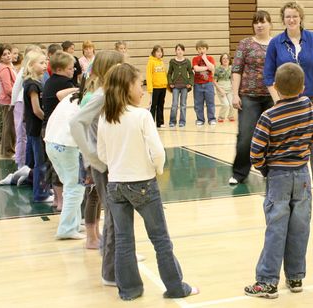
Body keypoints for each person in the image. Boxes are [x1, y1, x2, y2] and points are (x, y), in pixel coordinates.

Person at [97, 63, 198, 301]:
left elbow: (101, 155)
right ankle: (175, 287)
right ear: (126, 87)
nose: (142, 89)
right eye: (139, 84)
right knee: (160, 239)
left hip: (116, 185)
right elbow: (158, 152)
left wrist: (118, 163)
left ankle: (129, 291)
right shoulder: (141, 115)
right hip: (142, 182)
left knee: (123, 241)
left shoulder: (105, 117)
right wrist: (157, 169)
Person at [244, 63, 313, 299]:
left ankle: (267, 282)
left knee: (276, 229)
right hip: (303, 175)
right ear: (303, 86)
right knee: (300, 227)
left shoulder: (269, 116)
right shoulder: (307, 106)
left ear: (274, 87)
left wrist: (266, 169)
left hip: (278, 176)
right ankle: (295, 277)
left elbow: (255, 152)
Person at [263, 1, 313, 197]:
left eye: (295, 16)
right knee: (284, 144)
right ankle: (282, 186)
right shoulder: (275, 43)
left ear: (301, 18)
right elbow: (268, 75)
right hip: (285, 103)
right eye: (288, 16)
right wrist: (277, 101)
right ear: (283, 19)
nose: (291, 19)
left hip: (310, 101)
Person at [70, 50, 125, 281]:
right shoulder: (101, 95)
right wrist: (90, 156)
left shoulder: (107, 94)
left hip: (111, 162)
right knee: (113, 216)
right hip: (103, 165)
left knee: (115, 215)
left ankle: (117, 260)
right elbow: (76, 123)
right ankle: (111, 272)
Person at [228, 10, 275, 185]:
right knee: (245, 136)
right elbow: (236, 70)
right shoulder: (245, 44)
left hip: (273, 97)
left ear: (270, 24)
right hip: (248, 97)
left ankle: (270, 171)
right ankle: (239, 173)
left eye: (263, 22)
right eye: (256, 22)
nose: (259, 25)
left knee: (273, 137)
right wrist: (235, 94)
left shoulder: (277, 43)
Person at [45, 92, 84, 240]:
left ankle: (73, 223)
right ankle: (66, 228)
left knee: (71, 186)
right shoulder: (91, 99)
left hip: (51, 143)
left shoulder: (73, 95)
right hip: (66, 145)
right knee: (75, 187)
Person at [43, 51, 78, 211]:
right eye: (71, 68)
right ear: (60, 69)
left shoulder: (51, 81)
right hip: (56, 130)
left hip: (49, 128)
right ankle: (61, 201)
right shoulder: (64, 83)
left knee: (53, 166)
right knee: (59, 169)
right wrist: (77, 89)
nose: (73, 71)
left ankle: (57, 200)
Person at [23, 51, 52, 203]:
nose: (45, 65)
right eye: (41, 63)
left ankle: (43, 189)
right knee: (41, 163)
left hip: (34, 128)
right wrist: (48, 121)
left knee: (41, 162)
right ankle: (41, 194)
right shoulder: (33, 85)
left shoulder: (37, 82)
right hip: (36, 128)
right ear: (31, 65)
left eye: (45, 62)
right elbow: (36, 110)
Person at [11, 45, 42, 169]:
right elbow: (16, 88)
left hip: (25, 102)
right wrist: (13, 104)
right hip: (20, 103)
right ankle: (20, 162)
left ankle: (25, 161)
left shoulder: (35, 78)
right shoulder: (24, 73)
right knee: (21, 133)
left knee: (26, 135)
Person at [0, 44, 17, 158]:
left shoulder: (10, 66)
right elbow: (8, 89)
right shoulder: (4, 69)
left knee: (9, 125)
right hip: (8, 101)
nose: (8, 56)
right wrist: (16, 96)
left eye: (9, 53)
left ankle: (9, 149)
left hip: (10, 100)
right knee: (9, 126)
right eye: (4, 54)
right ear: (0, 58)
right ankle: (8, 150)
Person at [167, 44, 194, 127]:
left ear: (184, 51)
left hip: (184, 87)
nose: (180, 51)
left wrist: (190, 83)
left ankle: (182, 121)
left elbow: (191, 73)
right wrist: (170, 83)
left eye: (181, 50)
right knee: (174, 104)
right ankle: (172, 121)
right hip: (175, 86)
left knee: (183, 105)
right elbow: (169, 73)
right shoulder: (172, 61)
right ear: (175, 51)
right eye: (178, 49)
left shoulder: (187, 62)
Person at [192, 40, 216, 126]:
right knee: (198, 103)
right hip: (198, 84)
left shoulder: (210, 58)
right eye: (199, 48)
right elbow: (196, 69)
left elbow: (212, 68)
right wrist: (207, 68)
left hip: (208, 84)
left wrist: (205, 59)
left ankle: (212, 119)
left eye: (203, 48)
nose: (201, 50)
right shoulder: (195, 59)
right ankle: (200, 119)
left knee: (210, 102)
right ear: (197, 50)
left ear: (206, 49)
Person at [146, 45, 168, 127]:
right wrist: (150, 88)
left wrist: (167, 85)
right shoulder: (151, 62)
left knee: (161, 105)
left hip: (163, 87)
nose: (159, 53)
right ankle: (151, 123)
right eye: (158, 51)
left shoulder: (162, 62)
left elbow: (164, 74)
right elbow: (149, 75)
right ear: (154, 52)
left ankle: (160, 122)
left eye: (161, 51)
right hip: (155, 88)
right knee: (153, 105)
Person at [214, 53, 234, 122]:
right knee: (226, 104)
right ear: (221, 60)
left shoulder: (231, 68)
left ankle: (230, 116)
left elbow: (232, 79)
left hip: (229, 89)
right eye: (223, 58)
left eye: (227, 58)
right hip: (221, 89)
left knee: (232, 104)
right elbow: (214, 81)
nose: (225, 60)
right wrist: (220, 90)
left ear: (229, 60)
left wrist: (233, 88)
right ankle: (221, 117)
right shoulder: (218, 69)